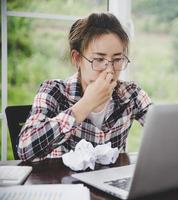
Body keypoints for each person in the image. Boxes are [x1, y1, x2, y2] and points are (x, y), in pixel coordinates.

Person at [17, 13, 152, 161]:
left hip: (110, 182)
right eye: (99, 59)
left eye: (117, 59)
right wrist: (85, 105)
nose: (110, 70)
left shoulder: (131, 94)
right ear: (77, 58)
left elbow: (168, 133)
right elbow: (25, 149)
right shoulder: (54, 91)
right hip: (65, 182)